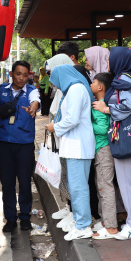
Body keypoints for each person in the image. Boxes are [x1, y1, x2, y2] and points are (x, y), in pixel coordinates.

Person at [95, 46, 131, 240]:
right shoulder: (130, 77)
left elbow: (127, 107)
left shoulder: (122, 79)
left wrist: (105, 108)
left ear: (120, 60)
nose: (108, 63)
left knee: (127, 183)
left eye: (110, 59)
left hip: (125, 136)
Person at [45, 65, 95, 241]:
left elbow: (72, 119)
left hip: (78, 147)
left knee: (78, 187)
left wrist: (54, 127)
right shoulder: (73, 89)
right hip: (74, 145)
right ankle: (79, 221)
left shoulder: (76, 89)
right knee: (76, 187)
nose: (55, 86)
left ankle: (83, 226)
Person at [0, 60, 41, 233]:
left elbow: (35, 102)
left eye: (25, 75)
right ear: (11, 74)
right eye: (18, 74)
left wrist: (33, 109)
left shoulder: (32, 91)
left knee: (25, 182)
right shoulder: (2, 91)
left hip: (24, 145)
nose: (21, 78)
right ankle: (10, 218)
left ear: (29, 75)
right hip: (5, 144)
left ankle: (25, 217)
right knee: (7, 182)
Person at [46, 54, 76, 225]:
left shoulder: (72, 89)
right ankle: (68, 207)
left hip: (69, 140)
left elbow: (70, 117)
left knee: (72, 177)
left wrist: (55, 127)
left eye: (52, 73)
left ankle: (74, 211)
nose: (50, 77)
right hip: (61, 139)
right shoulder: (61, 88)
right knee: (64, 175)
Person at [90, 72, 119, 239]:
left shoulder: (100, 105)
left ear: (100, 87)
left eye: (93, 82)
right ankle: (104, 221)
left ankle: (111, 227)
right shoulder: (101, 103)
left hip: (104, 150)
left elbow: (102, 129)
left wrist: (87, 124)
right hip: (101, 150)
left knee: (105, 187)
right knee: (101, 185)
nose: (91, 85)